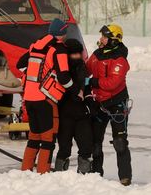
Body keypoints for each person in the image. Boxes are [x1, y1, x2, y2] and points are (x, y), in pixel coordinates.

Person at [17, 18, 83, 174]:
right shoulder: (58, 49)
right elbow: (64, 78)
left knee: (34, 137)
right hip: (45, 99)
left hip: (29, 99)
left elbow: (20, 65)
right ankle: (43, 173)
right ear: (62, 33)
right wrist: (76, 91)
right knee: (48, 140)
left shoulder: (36, 45)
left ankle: (25, 171)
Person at [86, 24, 132, 186]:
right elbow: (86, 69)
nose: (101, 39)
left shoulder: (120, 59)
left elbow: (112, 83)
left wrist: (92, 81)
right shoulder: (97, 55)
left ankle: (125, 178)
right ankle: (96, 174)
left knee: (120, 142)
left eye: (104, 37)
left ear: (113, 40)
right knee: (95, 142)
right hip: (99, 104)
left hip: (116, 104)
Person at [55, 39, 93, 174]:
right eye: (74, 54)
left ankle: (84, 174)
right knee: (64, 147)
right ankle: (59, 173)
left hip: (82, 114)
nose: (77, 57)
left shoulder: (83, 68)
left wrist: (89, 103)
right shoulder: (63, 71)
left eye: (79, 54)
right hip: (65, 114)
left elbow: (87, 87)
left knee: (86, 145)